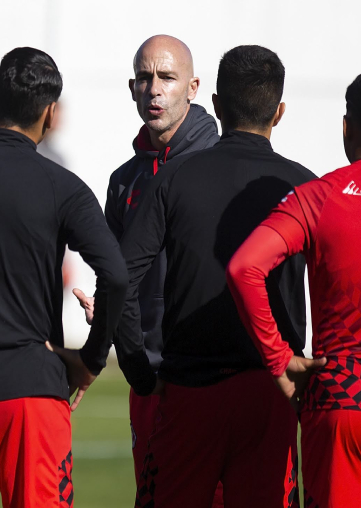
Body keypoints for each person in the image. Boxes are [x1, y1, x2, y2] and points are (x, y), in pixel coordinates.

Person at [0, 47, 127, 507]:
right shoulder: (63, 186)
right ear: (50, 114)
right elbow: (116, 276)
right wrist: (91, 360)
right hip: (35, 394)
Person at [114, 45, 315, 507]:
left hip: (189, 392)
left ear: (217, 105)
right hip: (272, 390)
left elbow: (118, 280)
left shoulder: (173, 178)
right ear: (279, 112)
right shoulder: (306, 186)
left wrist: (139, 371)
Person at [227, 69, 361, 507]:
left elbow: (245, 267)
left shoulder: (319, 196)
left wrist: (279, 359)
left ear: (347, 129)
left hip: (344, 397)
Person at [72, 35, 221, 501]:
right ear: (132, 88)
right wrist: (109, 312)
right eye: (144, 78)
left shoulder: (219, 166)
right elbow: (119, 276)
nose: (154, 89)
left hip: (211, 377)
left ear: (193, 87)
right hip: (148, 377)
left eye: (167, 77)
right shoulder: (125, 180)